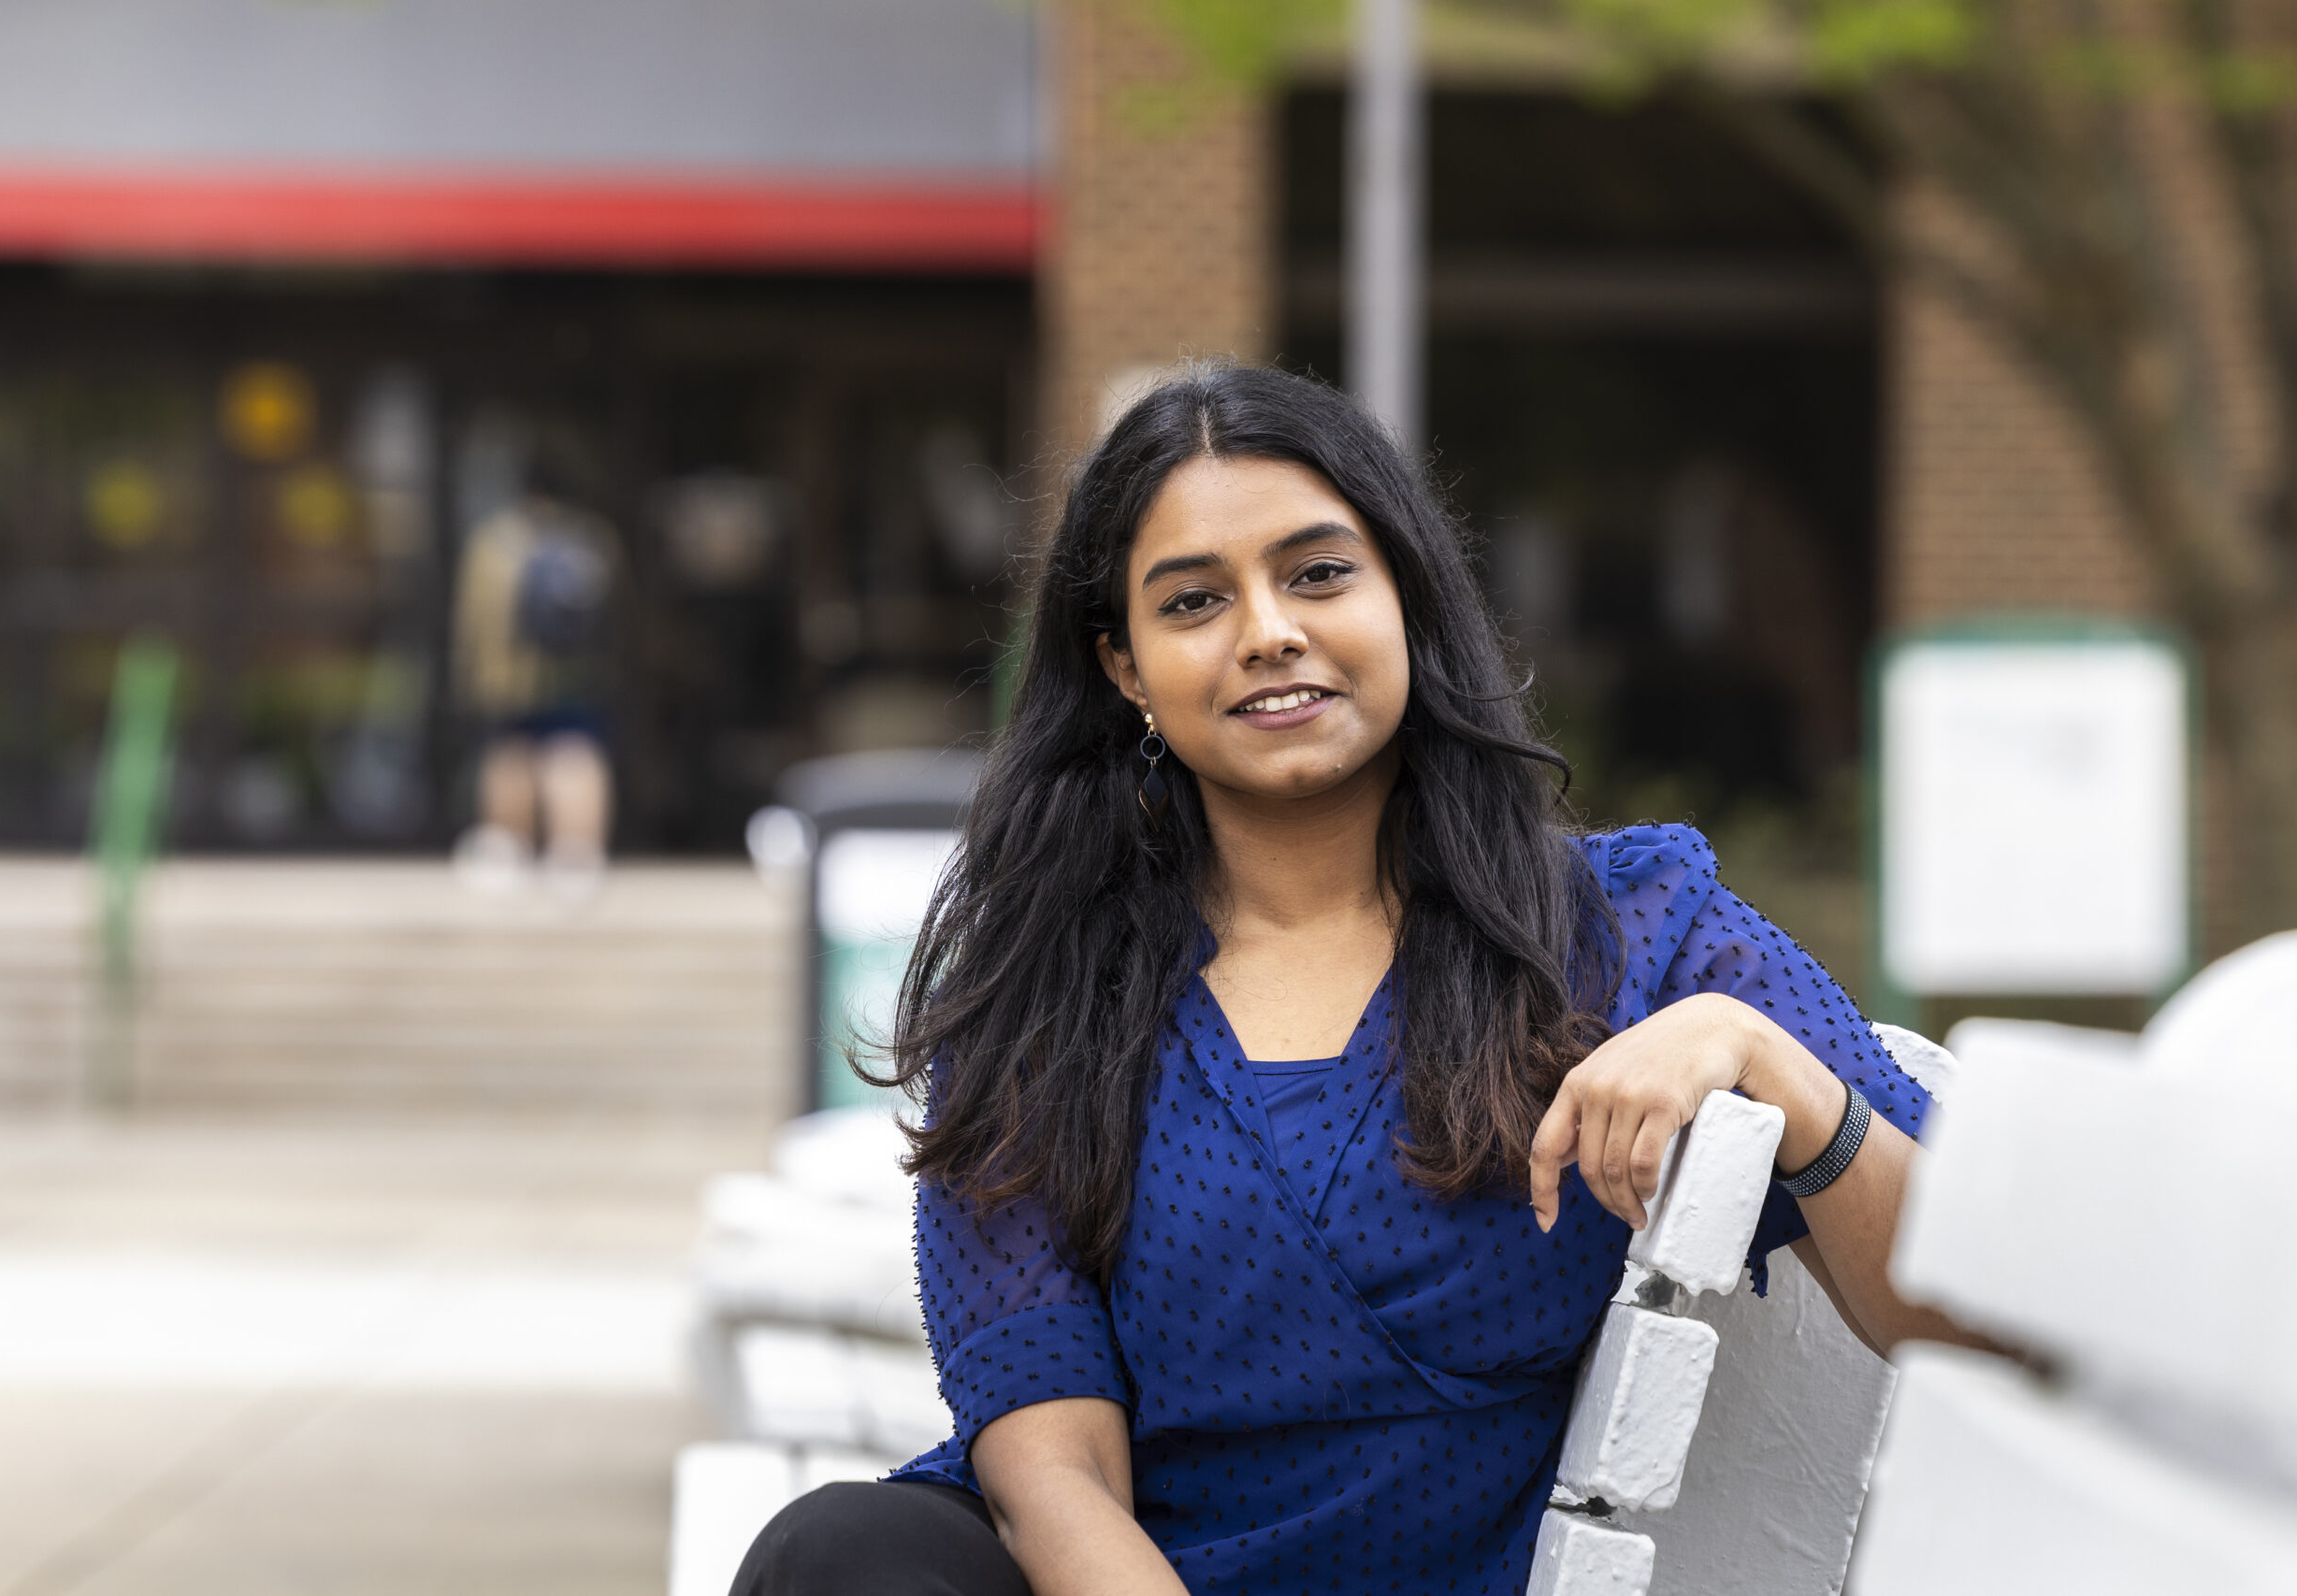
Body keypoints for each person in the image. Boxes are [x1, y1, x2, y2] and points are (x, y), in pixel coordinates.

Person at [730, 367, 1986, 1595]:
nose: (1269, 631)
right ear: (1126, 670)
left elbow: (1973, 1313)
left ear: (1406, 597)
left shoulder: (1630, 929)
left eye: (1319, 573)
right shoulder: (1042, 999)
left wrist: (1770, 1065)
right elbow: (1049, 1474)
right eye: (1193, 601)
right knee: (837, 1552)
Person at [449, 491, 619, 899]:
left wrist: (468, 677)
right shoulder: (593, 538)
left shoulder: (494, 541)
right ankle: (576, 857)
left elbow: (473, 619)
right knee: (574, 754)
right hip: (578, 673)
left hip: (508, 677)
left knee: (512, 756)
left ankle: (509, 853)